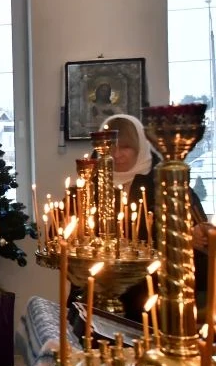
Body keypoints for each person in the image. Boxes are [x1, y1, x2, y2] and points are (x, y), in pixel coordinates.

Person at [88, 114, 212, 320]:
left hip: (152, 290)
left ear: (140, 146)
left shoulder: (164, 182)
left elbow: (193, 228)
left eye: (125, 147)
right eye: (110, 147)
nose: (117, 154)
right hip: (101, 286)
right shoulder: (91, 181)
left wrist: (193, 234)